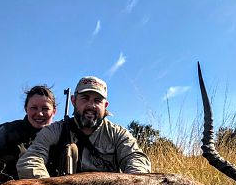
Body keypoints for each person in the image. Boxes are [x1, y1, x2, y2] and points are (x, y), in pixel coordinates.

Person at [17, 76, 151, 179]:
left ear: (105, 105)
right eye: (85, 98)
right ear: (74, 101)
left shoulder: (118, 134)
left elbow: (136, 159)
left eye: (97, 100)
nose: (91, 105)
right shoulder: (54, 130)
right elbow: (30, 160)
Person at [0, 85, 57, 182]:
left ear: (54, 111)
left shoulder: (61, 138)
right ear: (26, 108)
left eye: (45, 108)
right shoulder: (6, 131)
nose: (40, 113)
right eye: (34, 108)